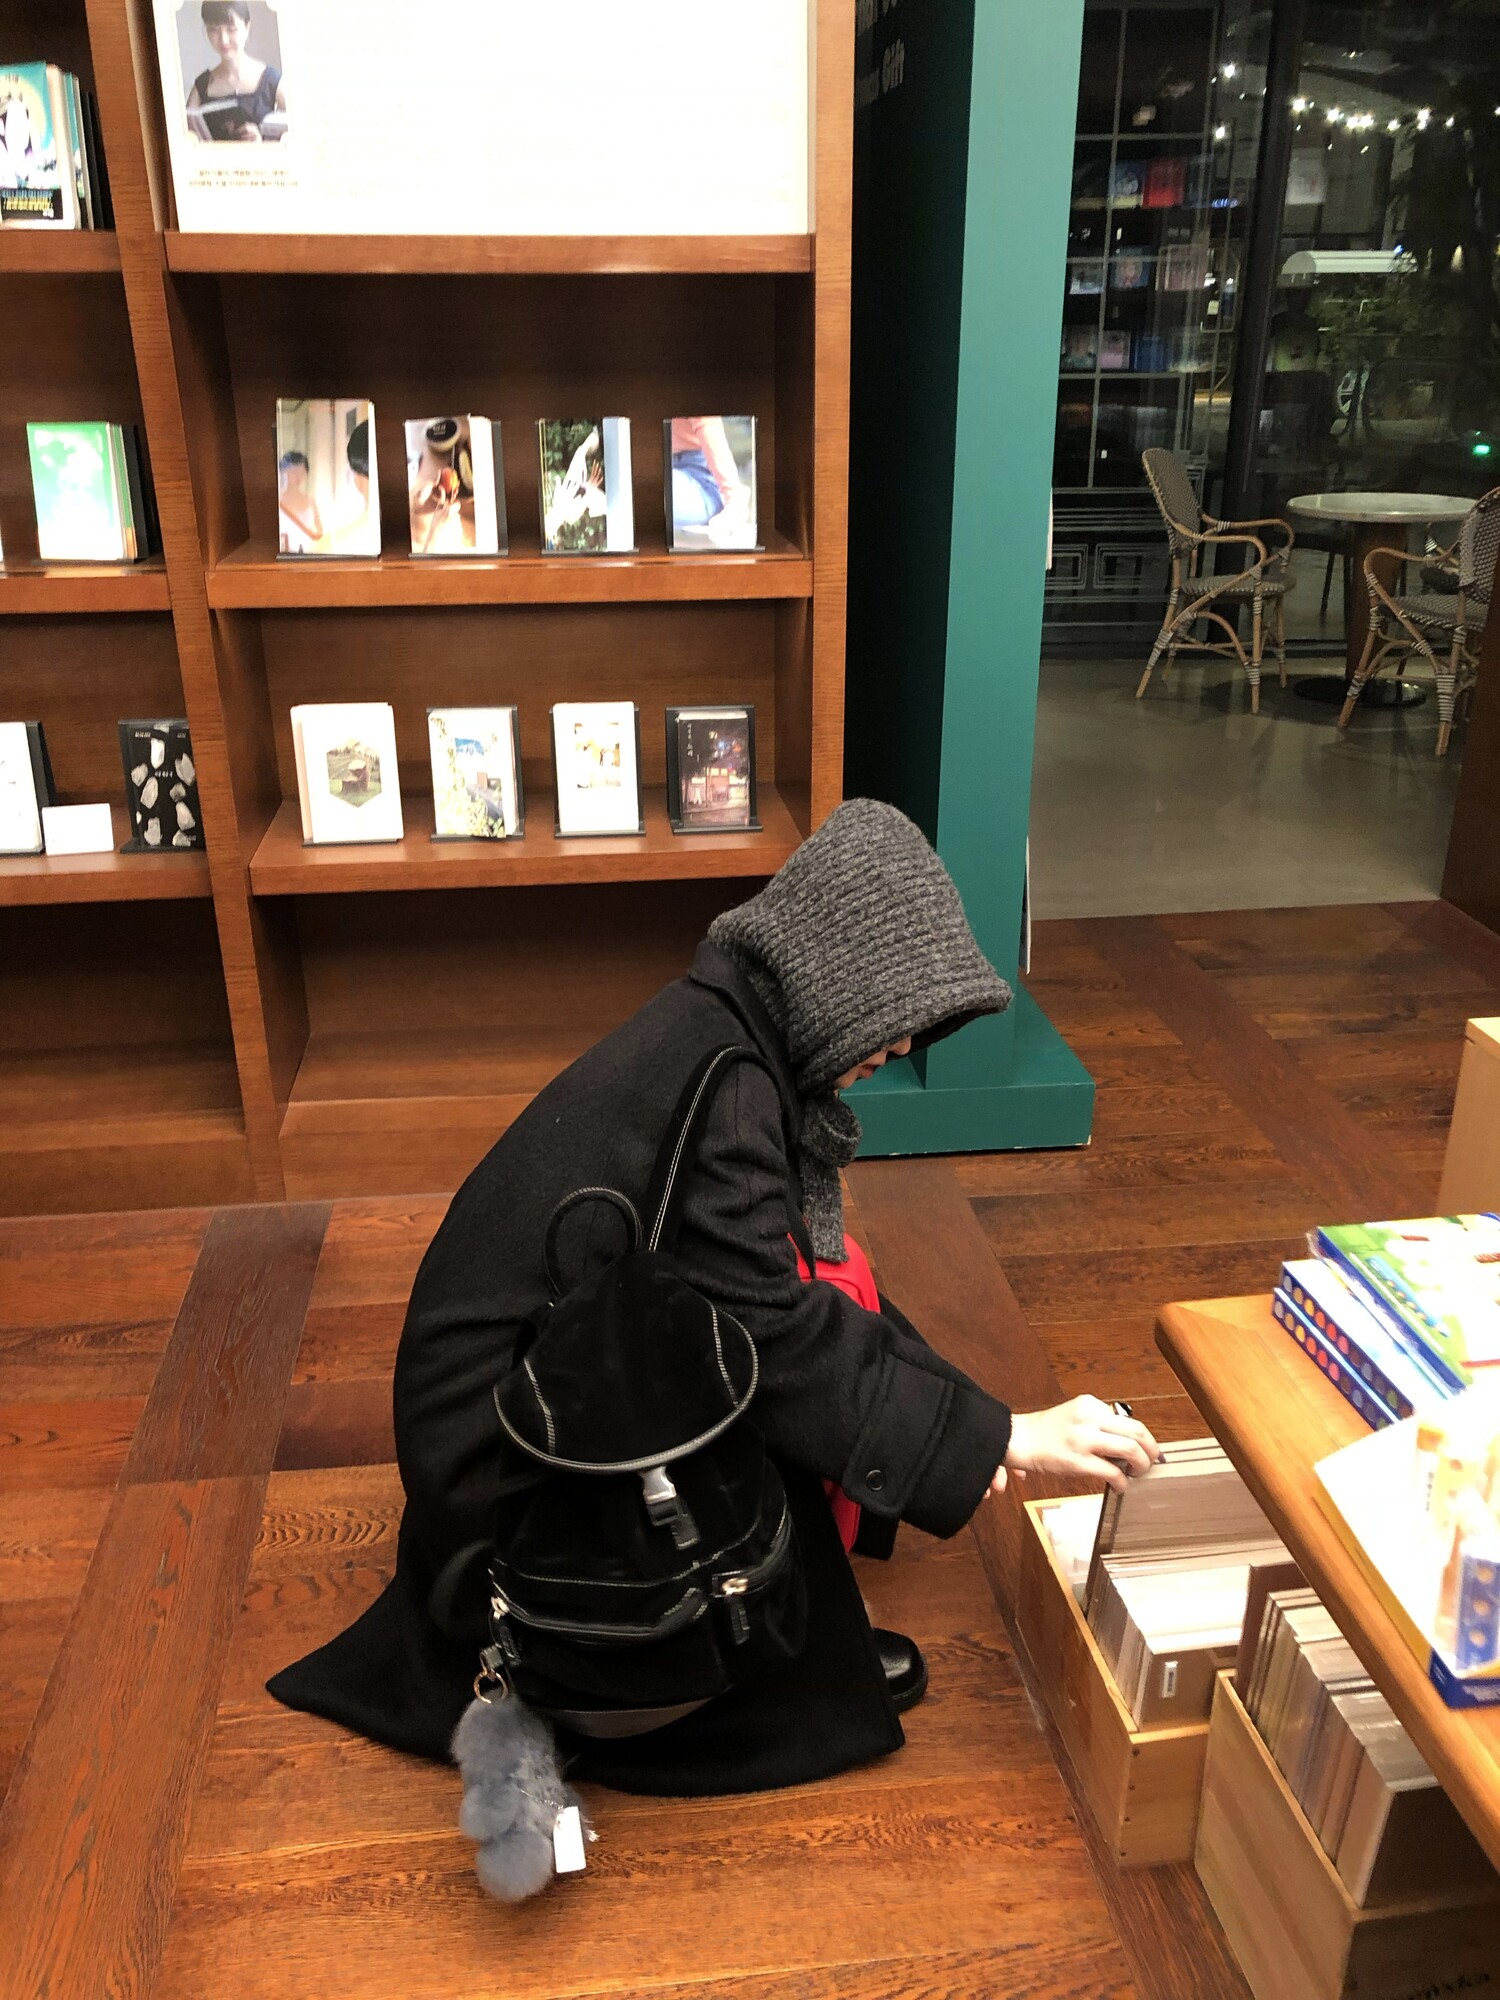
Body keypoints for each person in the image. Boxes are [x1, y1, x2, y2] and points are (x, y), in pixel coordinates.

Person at [269, 800, 1159, 1802]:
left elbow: (778, 1304)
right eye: (897, 1015)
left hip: (493, 1403)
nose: (902, 1043)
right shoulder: (728, 1091)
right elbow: (774, 1341)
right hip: (498, 1468)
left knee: (828, 1297)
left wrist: (971, 1425)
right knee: (775, 1469)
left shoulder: (716, 1028)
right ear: (840, 979)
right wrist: (1002, 1436)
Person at [185, 1, 287, 144]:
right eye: (213, 30)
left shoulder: (272, 80)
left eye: (231, 29)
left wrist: (262, 143)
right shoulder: (201, 86)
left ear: (247, 27)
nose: (223, 40)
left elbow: (298, 138)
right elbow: (185, 142)